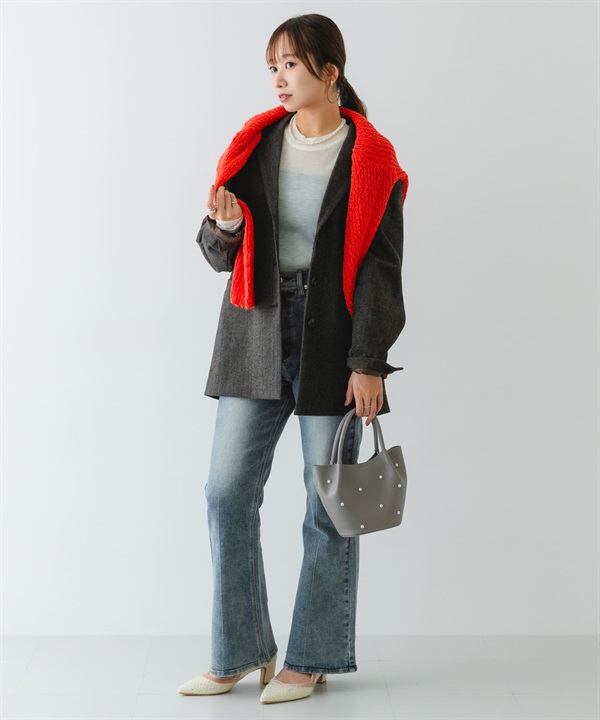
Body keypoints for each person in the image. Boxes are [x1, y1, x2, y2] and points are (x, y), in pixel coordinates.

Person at [177, 13, 409, 705]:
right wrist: (225, 226)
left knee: (328, 503)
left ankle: (310, 658)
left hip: (333, 341)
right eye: (273, 67)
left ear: (329, 73)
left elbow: (381, 269)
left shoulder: (372, 159)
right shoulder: (254, 146)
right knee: (225, 492)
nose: (278, 79)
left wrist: (369, 362)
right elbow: (218, 254)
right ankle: (239, 652)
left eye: (291, 65)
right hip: (255, 329)